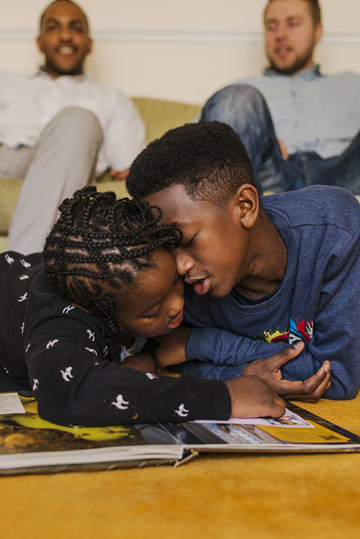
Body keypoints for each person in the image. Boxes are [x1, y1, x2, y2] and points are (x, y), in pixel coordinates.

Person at [0, 185, 289, 427]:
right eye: (153, 311)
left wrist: (150, 357)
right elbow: (69, 393)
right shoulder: (61, 317)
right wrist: (225, 397)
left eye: (176, 282)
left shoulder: (144, 274)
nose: (178, 305)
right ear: (100, 313)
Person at [126, 120, 360, 402]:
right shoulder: (183, 286)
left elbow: (336, 377)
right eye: (168, 248)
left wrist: (196, 342)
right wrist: (243, 373)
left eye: (187, 241)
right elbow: (165, 357)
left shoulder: (334, 231)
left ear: (245, 207)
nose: (179, 266)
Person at [0, 0, 145, 255]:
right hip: (6, 158)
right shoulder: (7, 82)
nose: (65, 36)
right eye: (54, 28)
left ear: (89, 44)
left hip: (68, 165)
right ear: (39, 42)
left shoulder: (110, 98)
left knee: (78, 120)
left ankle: (21, 272)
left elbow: (129, 167)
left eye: (75, 28)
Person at [200, 0, 360, 194]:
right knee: (237, 99)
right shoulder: (240, 94)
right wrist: (259, 138)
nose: (280, 35)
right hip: (269, 174)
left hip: (344, 174)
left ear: (317, 31)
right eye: (271, 27)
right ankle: (227, 219)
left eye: (293, 24)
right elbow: (188, 146)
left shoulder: (352, 84)